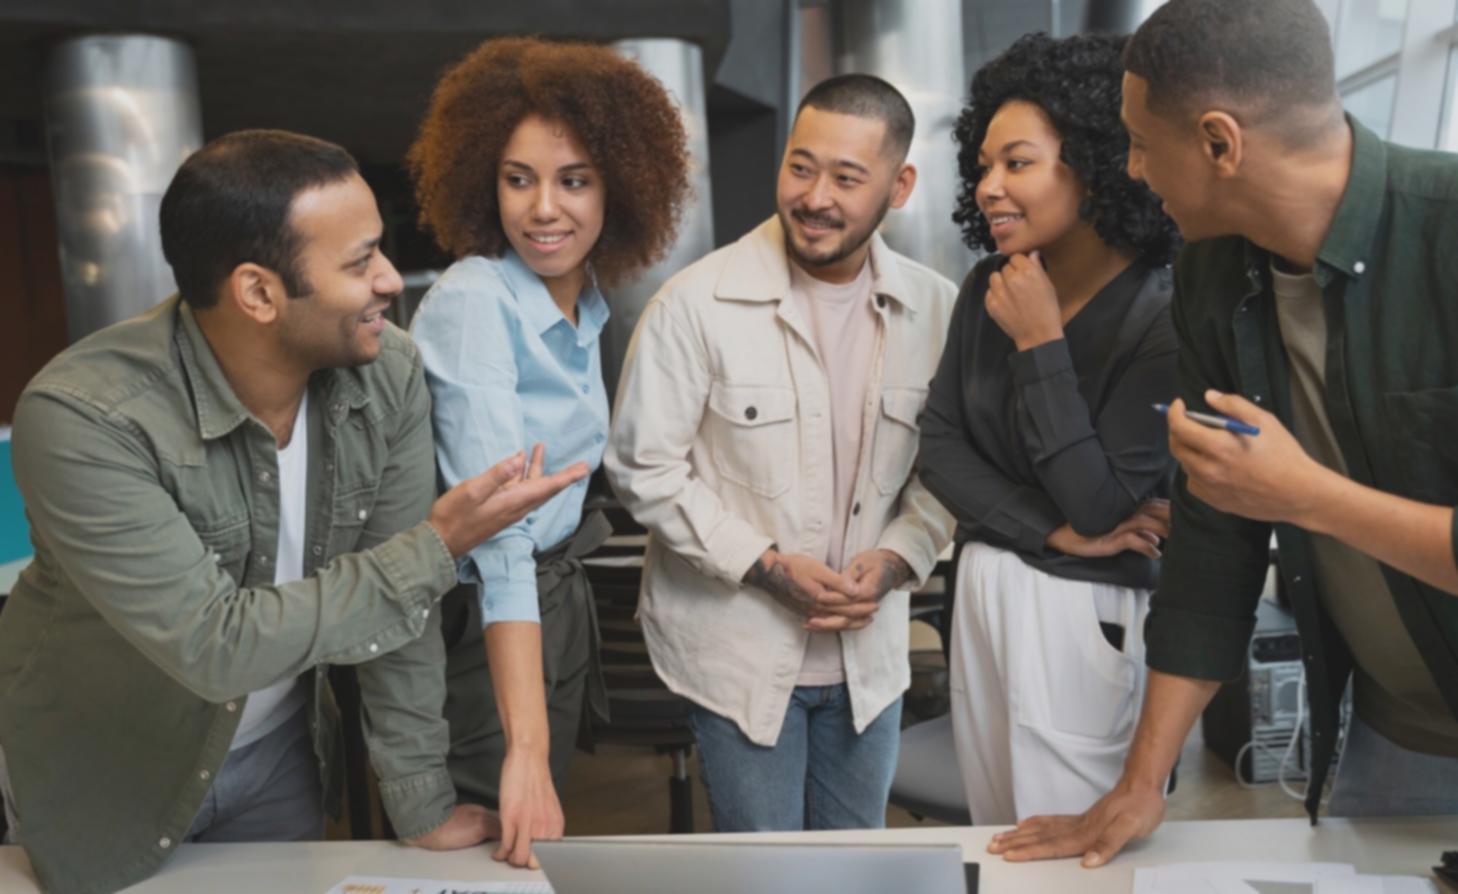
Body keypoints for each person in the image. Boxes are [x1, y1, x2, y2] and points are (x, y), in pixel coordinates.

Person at [0, 129, 586, 894]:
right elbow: (215, 646)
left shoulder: (387, 373)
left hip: (276, 757)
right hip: (108, 773)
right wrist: (437, 545)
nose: (387, 280)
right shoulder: (85, 417)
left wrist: (420, 803)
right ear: (259, 293)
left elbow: (396, 622)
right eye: (358, 261)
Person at [988, 0, 1458, 869]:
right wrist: (1140, 784)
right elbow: (1213, 545)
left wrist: (1305, 496)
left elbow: (1280, 496)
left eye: (1138, 141)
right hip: (1398, 738)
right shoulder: (1211, 274)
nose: (1129, 170)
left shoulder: (1447, 230)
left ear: (1218, 143)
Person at [605, 74, 957, 832]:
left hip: (871, 666)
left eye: (846, 177)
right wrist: (766, 567)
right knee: (765, 875)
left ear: (899, 186)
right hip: (736, 659)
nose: (815, 196)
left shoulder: (938, 310)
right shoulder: (694, 305)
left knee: (856, 873)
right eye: (801, 166)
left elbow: (949, 473)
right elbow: (643, 468)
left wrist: (896, 559)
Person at [406, 37, 691, 868]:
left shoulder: (585, 306)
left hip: (553, 605)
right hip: (480, 624)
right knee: (481, 856)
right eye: (517, 178)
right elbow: (499, 540)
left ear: (620, 188)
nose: (543, 209)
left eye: (574, 180)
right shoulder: (474, 303)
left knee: (530, 851)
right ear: (483, 182)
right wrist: (523, 749)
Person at [918, 31, 1181, 826]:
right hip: (985, 587)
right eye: (985, 166)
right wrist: (1046, 530)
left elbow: (1099, 507)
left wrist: (1041, 344)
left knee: (1073, 851)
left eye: (1018, 163)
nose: (990, 187)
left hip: (1083, 611)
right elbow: (937, 445)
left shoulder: (1161, 316)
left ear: (1096, 164)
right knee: (1002, 838)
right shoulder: (989, 284)